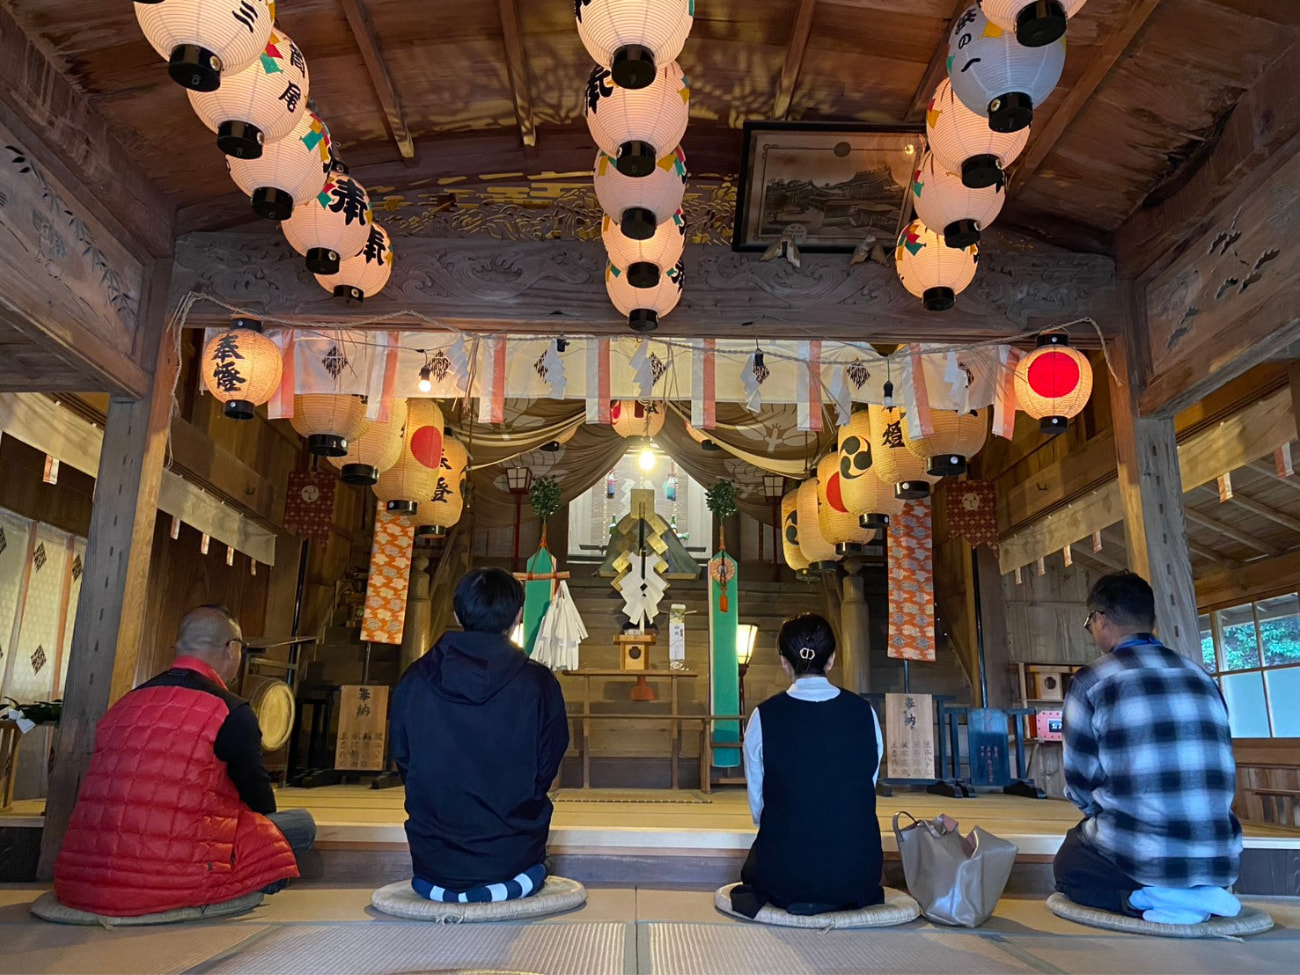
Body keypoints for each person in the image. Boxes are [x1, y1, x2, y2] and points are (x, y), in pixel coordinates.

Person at [55, 606, 314, 916]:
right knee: (299, 826)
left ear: (180, 646)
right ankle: (237, 887)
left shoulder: (125, 704)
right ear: (232, 649)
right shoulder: (229, 710)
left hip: (82, 880)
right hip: (179, 878)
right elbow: (260, 803)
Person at [1055, 572, 1243, 924]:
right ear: (1152, 621)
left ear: (1101, 619)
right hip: (1218, 856)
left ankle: (1148, 899)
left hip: (1141, 855)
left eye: (1090, 622)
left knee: (1068, 864)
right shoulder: (1200, 676)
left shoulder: (1092, 680)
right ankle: (1201, 892)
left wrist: (1100, 812)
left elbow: (1080, 780)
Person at [390, 567, 569, 903]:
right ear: (518, 617)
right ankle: (509, 883)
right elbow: (548, 763)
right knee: (529, 859)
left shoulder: (414, 678)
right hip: (511, 855)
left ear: (457, 615)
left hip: (432, 863)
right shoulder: (538, 683)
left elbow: (404, 759)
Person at [731, 613, 885, 917]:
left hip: (788, 874)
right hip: (858, 874)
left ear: (783, 662)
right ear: (831, 660)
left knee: (764, 859)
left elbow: (758, 804)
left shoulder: (764, 716)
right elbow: (866, 784)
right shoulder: (864, 712)